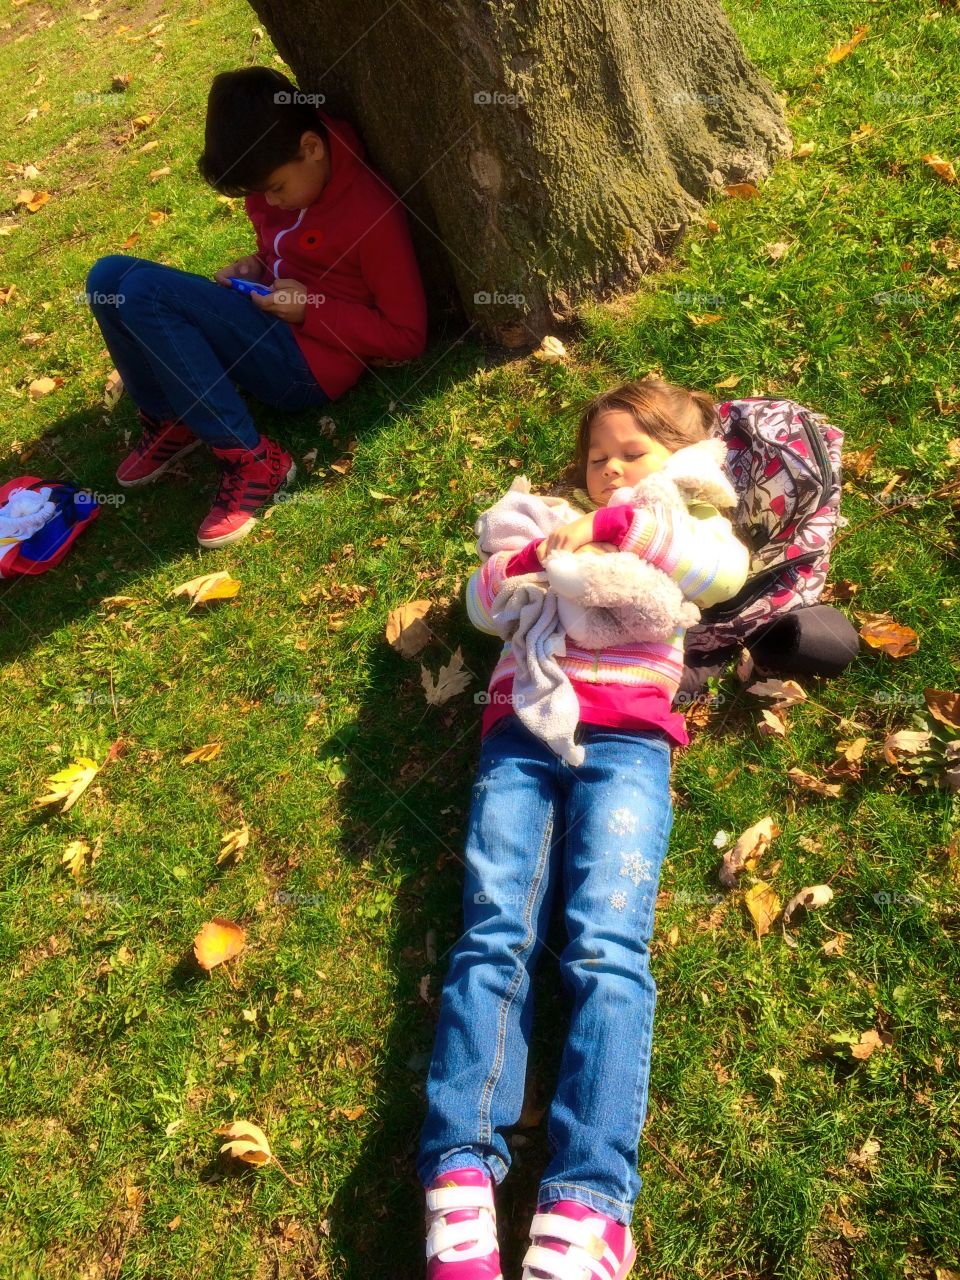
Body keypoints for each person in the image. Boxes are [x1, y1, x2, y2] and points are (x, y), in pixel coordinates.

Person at [417, 379, 750, 1280]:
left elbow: (719, 576)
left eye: (632, 453)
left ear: (679, 458)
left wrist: (614, 527)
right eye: (598, 457)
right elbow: (483, 605)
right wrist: (539, 550)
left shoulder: (689, 520)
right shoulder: (551, 521)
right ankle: (458, 1177)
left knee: (606, 946)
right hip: (521, 735)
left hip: (629, 743)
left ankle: (589, 1201)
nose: (611, 470)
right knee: (494, 935)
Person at [84, 67, 427, 547]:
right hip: (268, 321)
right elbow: (283, 248)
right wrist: (257, 265)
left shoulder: (372, 212)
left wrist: (310, 310)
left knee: (144, 293)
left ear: (312, 147)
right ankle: (172, 419)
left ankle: (253, 462)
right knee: (107, 276)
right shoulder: (285, 176)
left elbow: (407, 336)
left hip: (307, 364)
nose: (269, 201)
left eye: (276, 188)